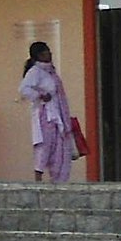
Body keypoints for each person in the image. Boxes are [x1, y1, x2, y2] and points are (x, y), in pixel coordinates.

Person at [19, 40, 76, 183]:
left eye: (49, 51)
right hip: (45, 115)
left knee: (59, 147)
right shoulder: (35, 72)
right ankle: (38, 178)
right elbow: (24, 89)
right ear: (38, 55)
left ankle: (58, 180)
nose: (49, 54)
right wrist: (41, 96)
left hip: (58, 114)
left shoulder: (51, 72)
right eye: (45, 52)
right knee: (45, 145)